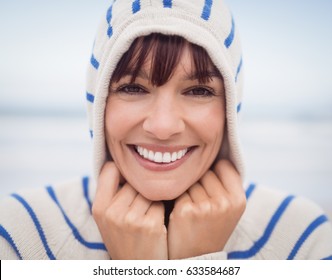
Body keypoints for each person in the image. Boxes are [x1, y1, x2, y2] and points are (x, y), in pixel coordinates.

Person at [0, 0, 331, 260]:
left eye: (199, 91)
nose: (162, 127)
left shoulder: (301, 240)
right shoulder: (19, 235)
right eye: (133, 88)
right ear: (98, 100)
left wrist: (198, 264)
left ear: (230, 106)